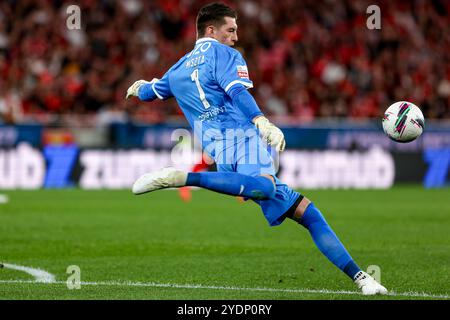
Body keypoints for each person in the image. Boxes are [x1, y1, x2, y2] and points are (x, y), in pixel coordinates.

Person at [126, 2, 387, 295]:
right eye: (231, 30)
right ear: (211, 30)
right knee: (264, 187)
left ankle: (362, 278)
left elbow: (153, 92)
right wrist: (261, 121)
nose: (236, 37)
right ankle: (183, 178)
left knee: (307, 212)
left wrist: (140, 88)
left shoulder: (178, 68)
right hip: (244, 141)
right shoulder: (226, 54)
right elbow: (237, 91)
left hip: (221, 155)